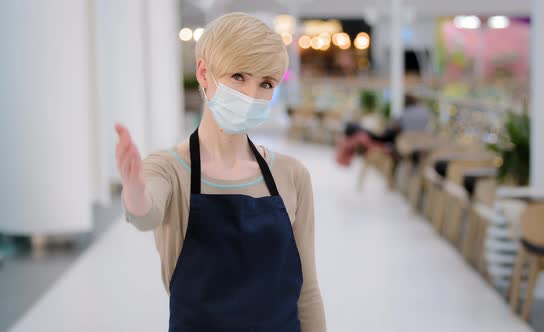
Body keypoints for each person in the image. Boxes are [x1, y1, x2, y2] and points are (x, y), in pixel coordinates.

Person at [115, 13, 326, 332]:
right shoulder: (169, 169)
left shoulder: (292, 175)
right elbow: (146, 213)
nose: (251, 95)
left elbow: (307, 292)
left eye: (265, 83)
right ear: (204, 73)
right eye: (239, 76)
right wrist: (133, 187)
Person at [336, 95, 431, 167]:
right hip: (413, 141)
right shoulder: (425, 112)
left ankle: (351, 128)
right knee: (367, 132)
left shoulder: (406, 113)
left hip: (400, 140)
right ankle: (354, 129)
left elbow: (395, 125)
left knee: (369, 133)